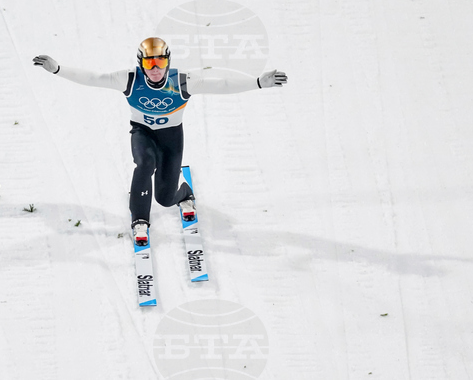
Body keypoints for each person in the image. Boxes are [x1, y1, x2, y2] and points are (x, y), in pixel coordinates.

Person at [33, 37, 287, 246]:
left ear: (168, 62)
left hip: (171, 138)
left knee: (165, 199)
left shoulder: (183, 82)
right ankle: (140, 220)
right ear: (141, 64)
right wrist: (57, 69)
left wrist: (258, 83)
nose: (155, 69)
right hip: (142, 132)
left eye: (160, 62)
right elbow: (93, 78)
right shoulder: (129, 79)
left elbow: (222, 84)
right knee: (145, 163)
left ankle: (184, 192)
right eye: (149, 63)